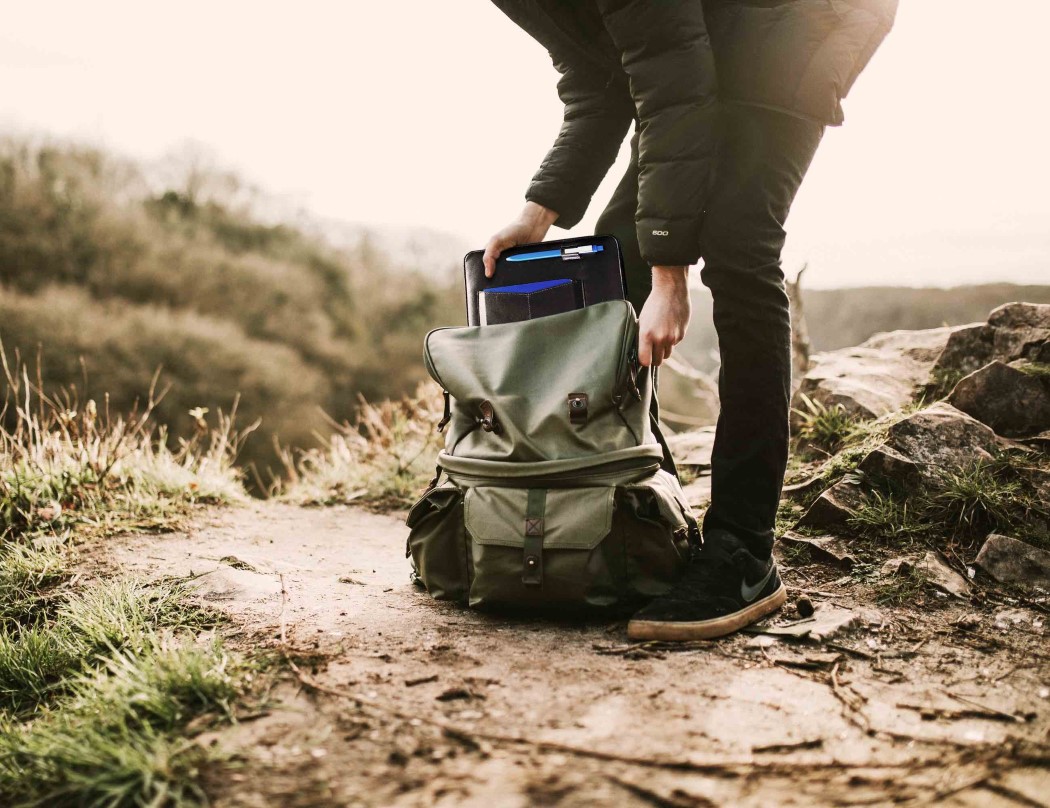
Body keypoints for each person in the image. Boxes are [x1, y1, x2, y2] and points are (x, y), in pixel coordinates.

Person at [485, 0, 897, 640]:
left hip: (795, 25)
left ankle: (743, 553)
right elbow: (600, 81)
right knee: (615, 256)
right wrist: (539, 211)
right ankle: (646, 510)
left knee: (739, 250)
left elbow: (672, 79)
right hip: (701, 47)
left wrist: (670, 275)